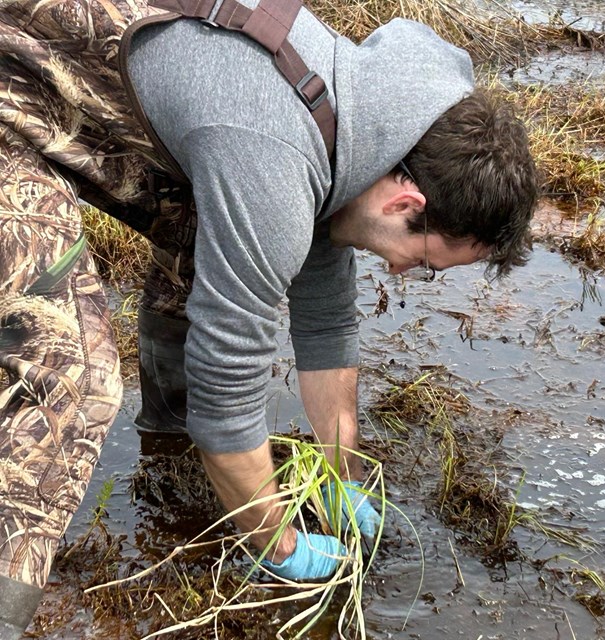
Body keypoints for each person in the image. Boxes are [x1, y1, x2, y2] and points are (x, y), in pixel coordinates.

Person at [0, 0, 538, 636]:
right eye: (422, 260)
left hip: (88, 83)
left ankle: (170, 442)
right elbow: (227, 396)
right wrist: (274, 540)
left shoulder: (381, 115)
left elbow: (326, 315)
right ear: (405, 200)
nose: (399, 274)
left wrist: (342, 468)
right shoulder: (273, 157)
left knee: (215, 241)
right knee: (72, 378)